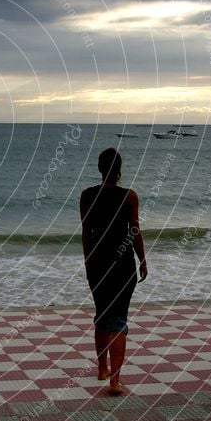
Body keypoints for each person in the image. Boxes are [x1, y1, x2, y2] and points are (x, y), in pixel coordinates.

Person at [80, 148, 148, 396]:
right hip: (122, 264)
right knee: (118, 319)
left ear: (99, 168)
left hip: (97, 264)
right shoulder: (129, 197)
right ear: (119, 170)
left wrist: (88, 262)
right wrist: (142, 259)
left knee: (102, 315)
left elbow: (86, 232)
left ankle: (101, 368)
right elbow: (134, 231)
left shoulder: (87, 196)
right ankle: (115, 381)